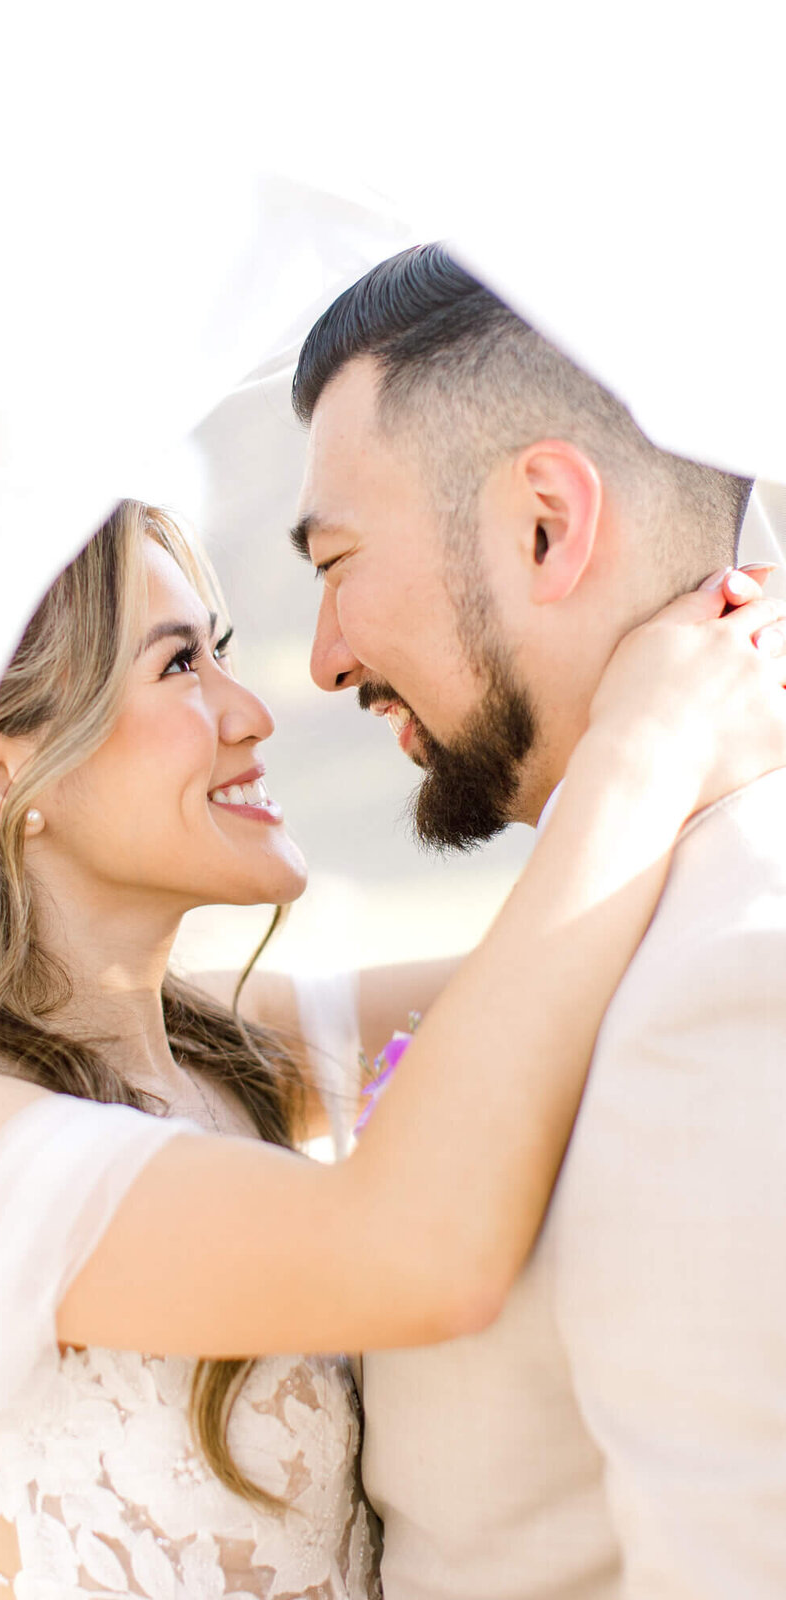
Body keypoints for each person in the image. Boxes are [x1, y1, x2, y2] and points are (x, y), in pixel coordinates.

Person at [0, 495, 786, 1600]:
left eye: (225, 654)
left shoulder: (220, 1051)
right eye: (177, 668)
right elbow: (416, 1250)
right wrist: (641, 751)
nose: (251, 713)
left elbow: (578, 972)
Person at [288, 243, 786, 1599]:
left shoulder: (738, 980)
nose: (321, 655)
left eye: (337, 560)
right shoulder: (646, 913)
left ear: (546, 526)